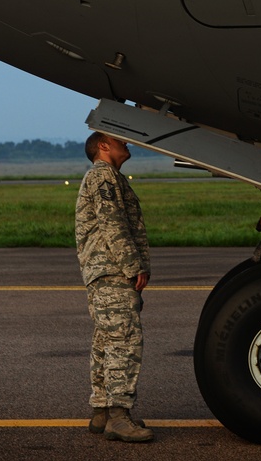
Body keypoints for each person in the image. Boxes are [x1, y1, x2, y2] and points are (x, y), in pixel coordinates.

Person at [75, 132, 154, 442]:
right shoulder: (103, 177)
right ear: (103, 146)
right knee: (123, 341)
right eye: (117, 139)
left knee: (106, 341)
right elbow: (113, 223)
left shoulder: (106, 177)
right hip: (112, 271)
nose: (126, 142)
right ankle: (119, 417)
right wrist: (133, 266)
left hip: (103, 272)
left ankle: (102, 413)